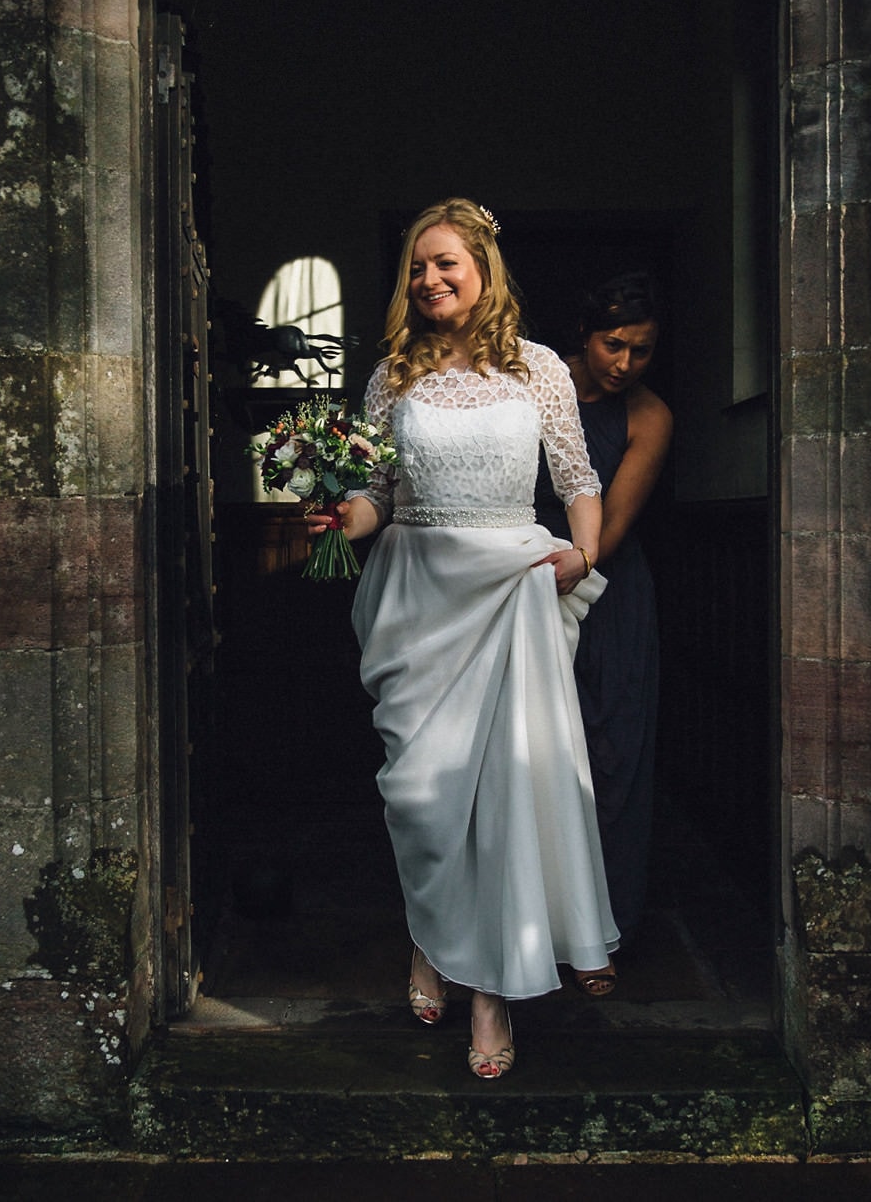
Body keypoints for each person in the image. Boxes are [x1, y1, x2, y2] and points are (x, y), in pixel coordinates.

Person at [308, 198, 617, 1080]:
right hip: (417, 601)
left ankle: (489, 993)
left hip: (511, 591)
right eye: (416, 266)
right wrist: (342, 515)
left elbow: (577, 477)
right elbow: (377, 496)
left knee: (502, 801)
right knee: (424, 799)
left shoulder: (541, 368)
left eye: (446, 262)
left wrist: (583, 549)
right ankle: (429, 937)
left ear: (484, 269)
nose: (430, 279)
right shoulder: (391, 379)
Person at [534, 273, 671, 958]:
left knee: (611, 751)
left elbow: (610, 521)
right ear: (583, 336)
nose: (624, 364)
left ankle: (604, 933)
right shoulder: (532, 381)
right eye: (613, 345)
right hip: (518, 580)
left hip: (607, 586)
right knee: (530, 755)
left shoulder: (650, 416)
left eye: (641, 351)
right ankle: (532, 927)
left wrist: (578, 561)